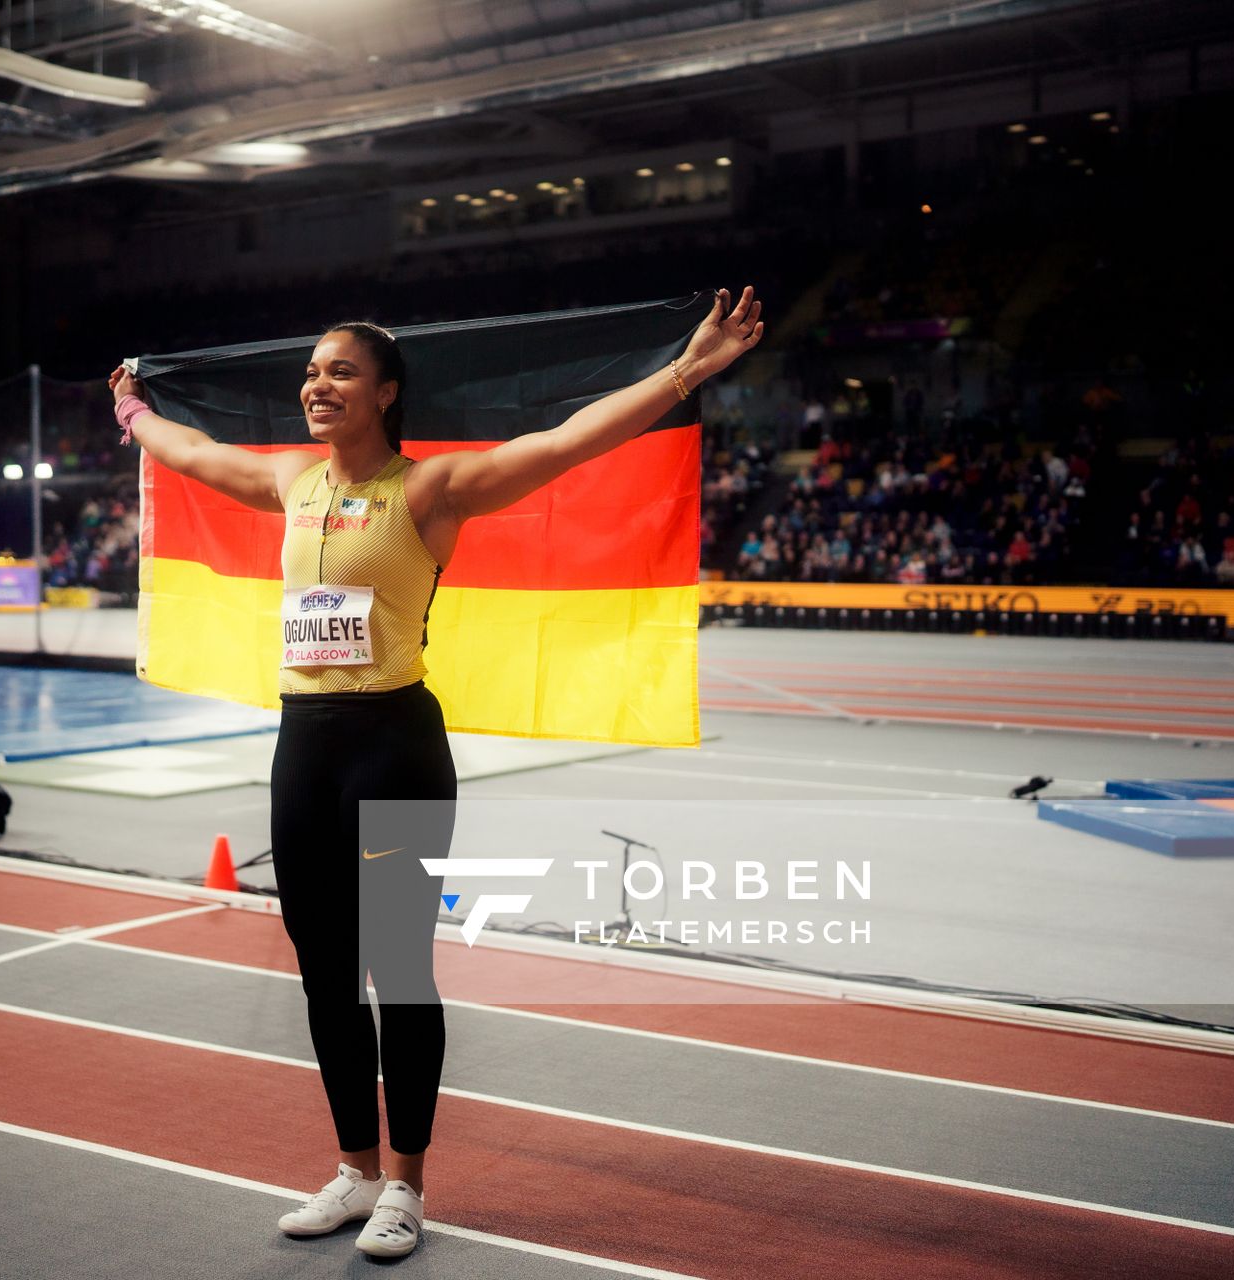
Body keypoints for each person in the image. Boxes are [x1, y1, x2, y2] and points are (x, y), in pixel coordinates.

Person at [108, 286, 765, 1258]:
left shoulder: (433, 489)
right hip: (306, 743)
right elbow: (195, 454)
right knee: (325, 974)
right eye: (311, 370)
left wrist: (687, 370)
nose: (315, 384)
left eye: (338, 370)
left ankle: (406, 1184)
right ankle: (352, 1167)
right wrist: (132, 412)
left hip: (395, 742)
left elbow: (565, 443)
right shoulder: (294, 483)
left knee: (399, 971)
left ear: (386, 392)